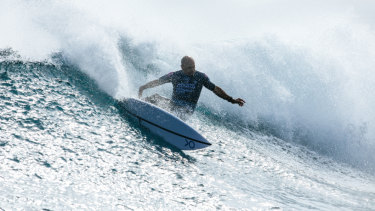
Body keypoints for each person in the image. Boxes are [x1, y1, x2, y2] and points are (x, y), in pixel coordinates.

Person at [138, 56, 245, 117]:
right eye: (189, 67)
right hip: (173, 105)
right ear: (182, 67)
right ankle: (137, 107)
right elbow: (158, 82)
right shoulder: (175, 75)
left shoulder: (201, 77)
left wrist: (232, 100)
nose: (192, 70)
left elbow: (216, 89)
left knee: (173, 110)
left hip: (186, 110)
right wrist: (143, 87)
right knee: (154, 97)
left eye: (193, 67)